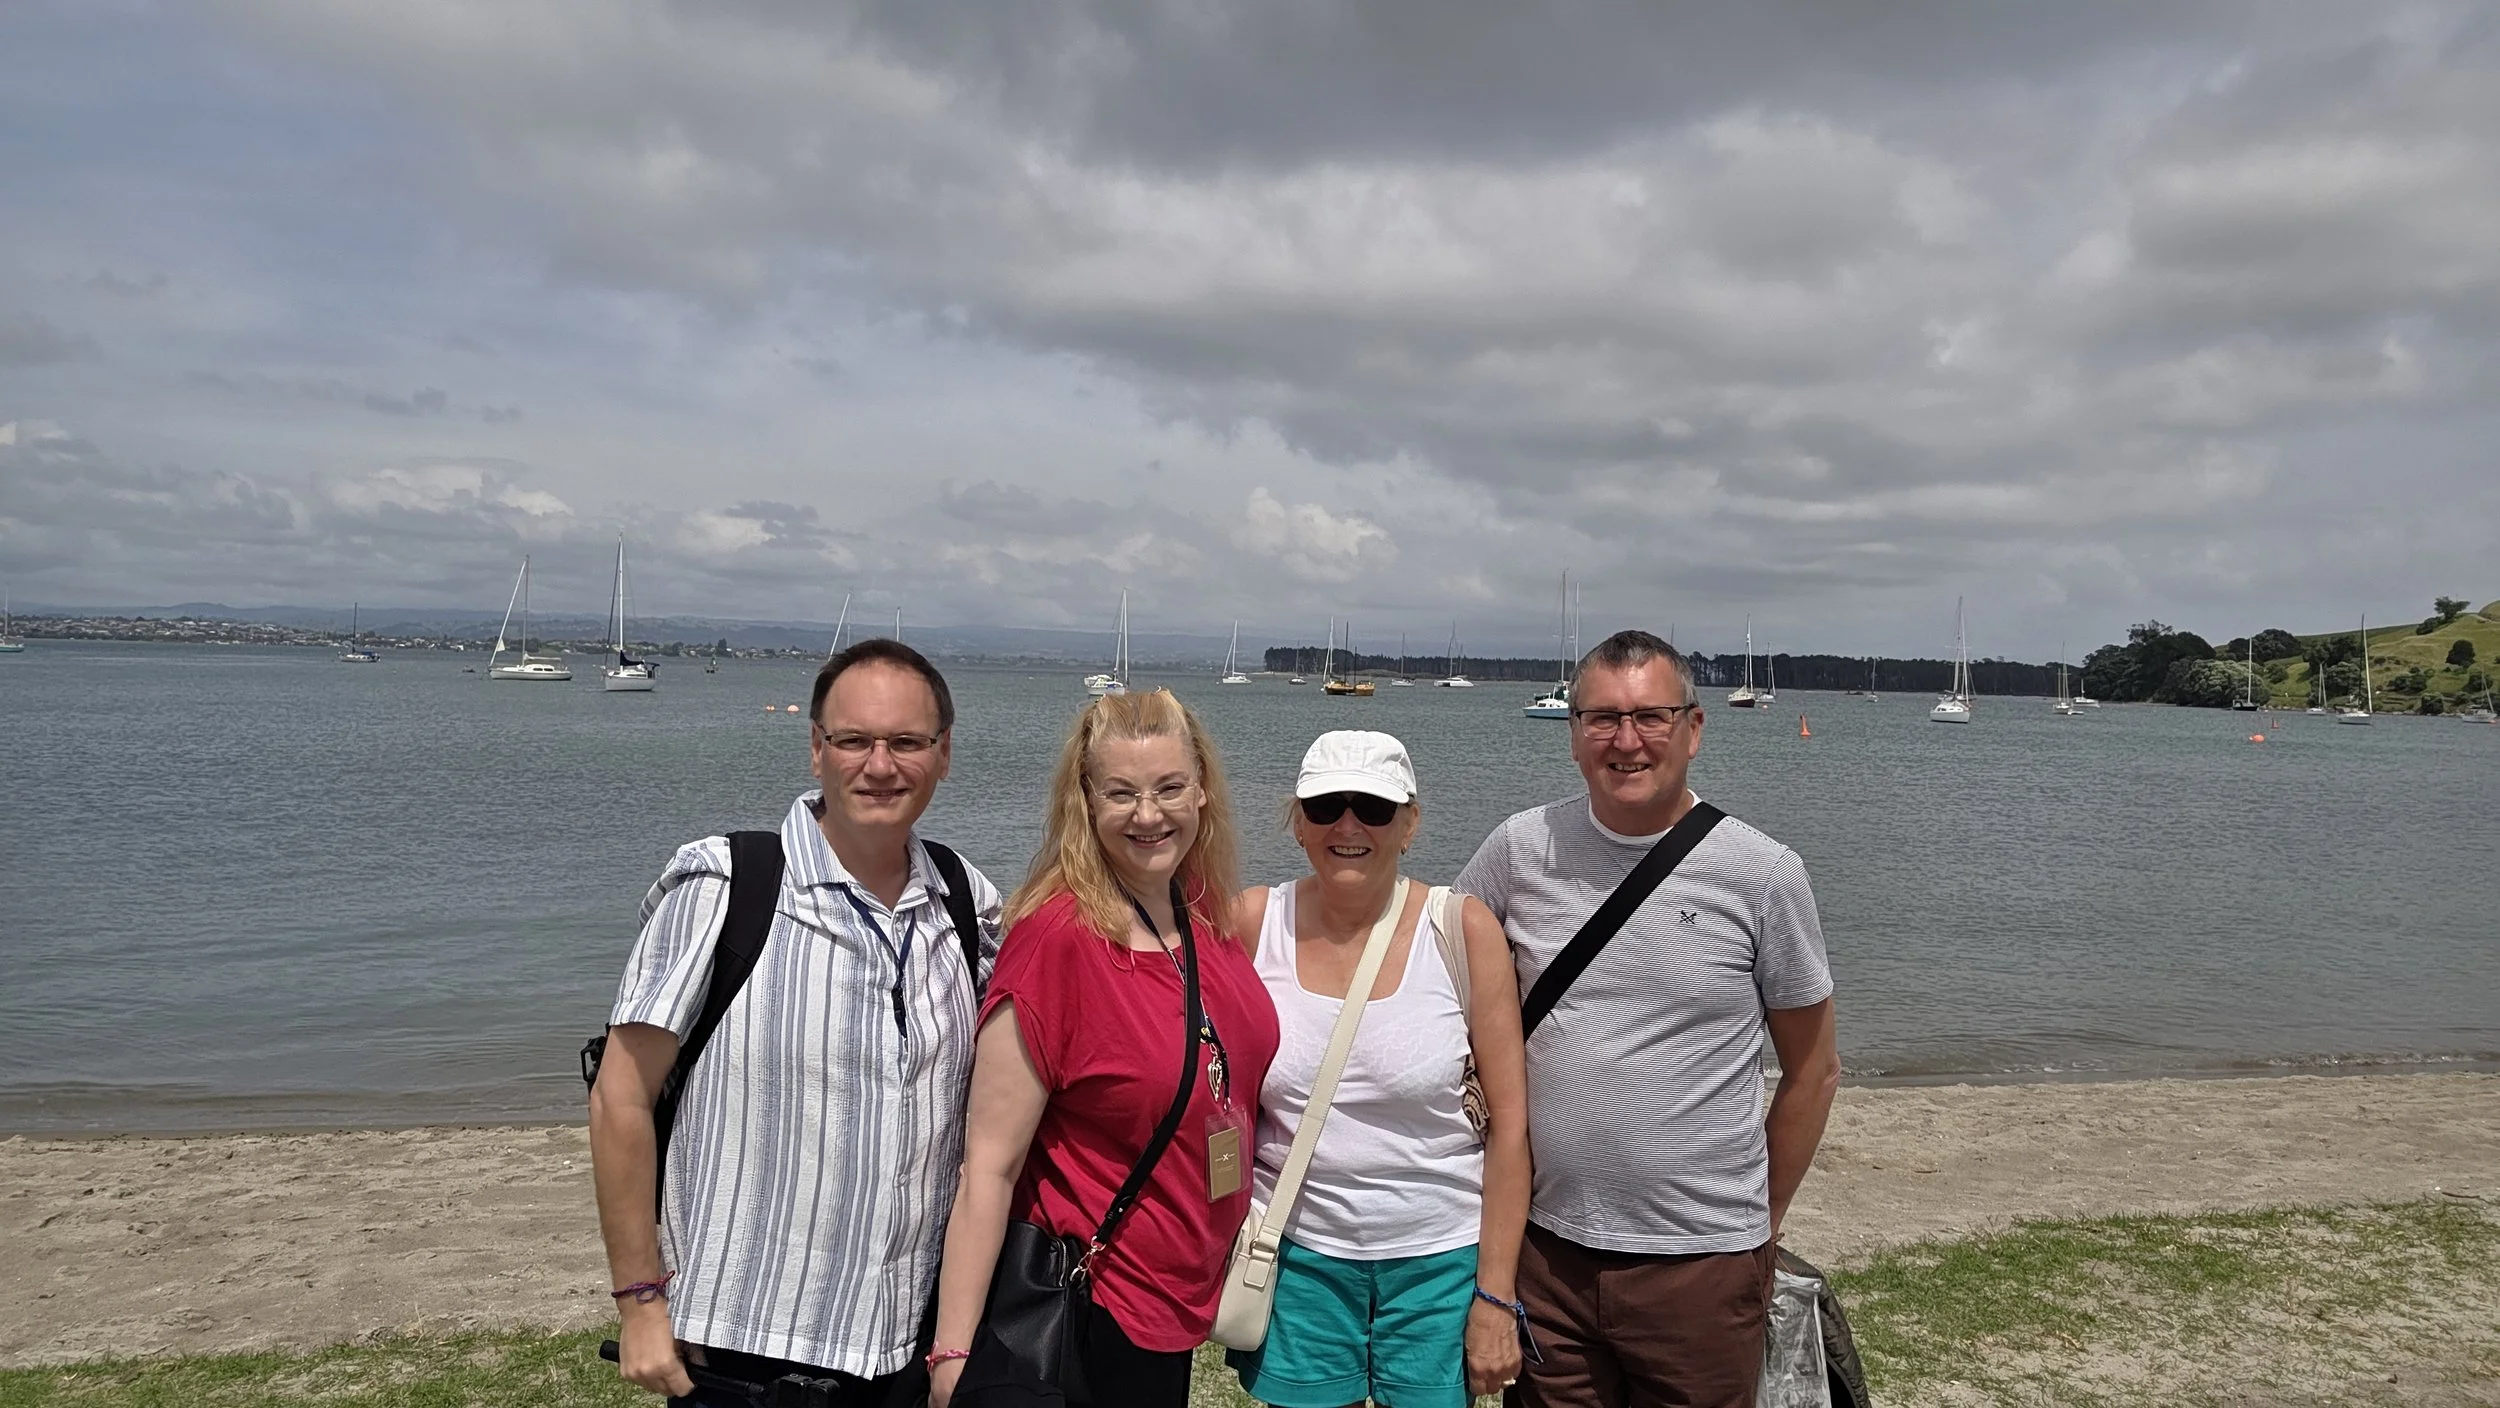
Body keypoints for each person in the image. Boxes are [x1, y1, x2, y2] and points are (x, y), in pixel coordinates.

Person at [589, 638, 1004, 1406]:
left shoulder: (963, 897)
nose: (880, 765)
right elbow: (621, 1098)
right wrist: (640, 1301)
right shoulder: (725, 885)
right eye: (854, 741)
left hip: (903, 1345)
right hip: (747, 1349)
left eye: (907, 742)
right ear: (817, 749)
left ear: (944, 755)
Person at [1456, 630, 1840, 1408]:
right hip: (1545, 1255)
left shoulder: (1763, 873)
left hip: (1700, 1264)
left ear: (1693, 729)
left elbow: (1813, 1068)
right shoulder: (1518, 850)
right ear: (1572, 735)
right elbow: (1436, 982)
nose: (1625, 741)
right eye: (1601, 718)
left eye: (1651, 717)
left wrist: (1757, 1227)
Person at [929, 689, 1280, 1408]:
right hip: (1091, 1303)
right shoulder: (1057, 941)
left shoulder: (1198, 906)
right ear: (1084, 802)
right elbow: (989, 1167)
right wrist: (952, 1356)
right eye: (1121, 793)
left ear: (1203, 789)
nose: (1149, 815)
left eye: (1169, 788)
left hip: (1178, 1300)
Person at [1226, 730, 1533, 1408]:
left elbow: (1510, 1126)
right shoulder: (1252, 921)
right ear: (1297, 823)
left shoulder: (1462, 929)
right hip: (1297, 1255)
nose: (1348, 825)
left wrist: (1495, 1293)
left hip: (1439, 1261)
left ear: (1410, 823)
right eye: (1326, 805)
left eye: (1373, 807)